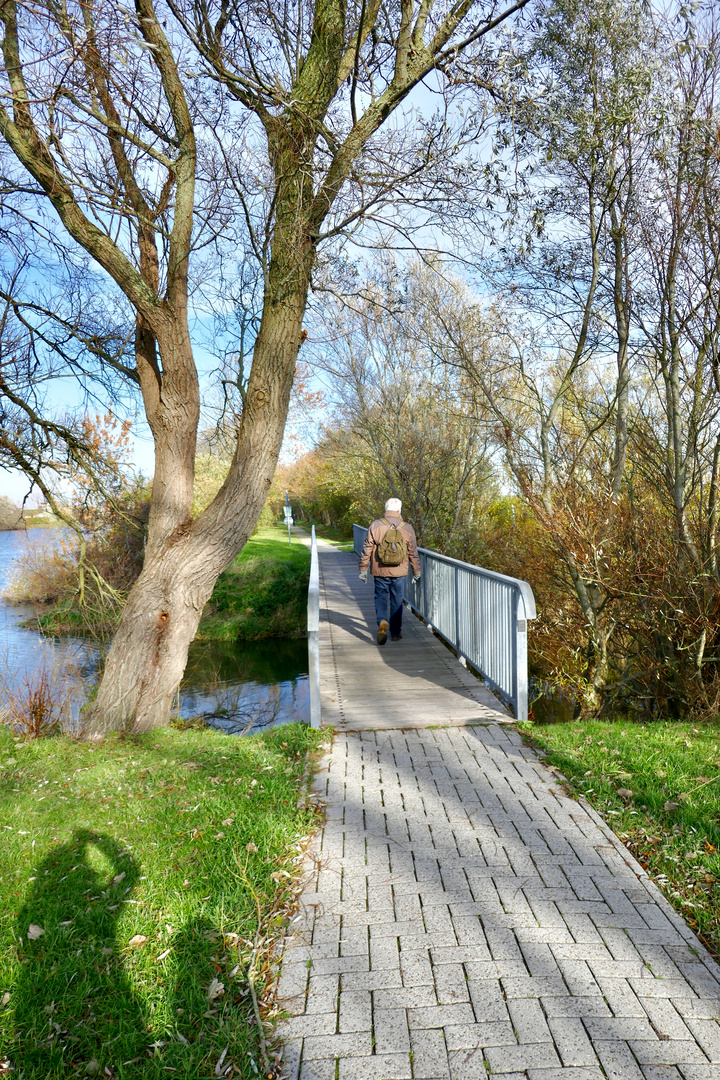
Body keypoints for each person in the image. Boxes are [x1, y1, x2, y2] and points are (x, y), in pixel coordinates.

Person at [358, 498, 421, 645]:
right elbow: (413, 552)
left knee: (380, 597)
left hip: (380, 571)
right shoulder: (408, 528)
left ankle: (382, 622)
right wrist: (416, 571)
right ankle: (395, 633)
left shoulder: (375, 525)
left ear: (386, 509)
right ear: (399, 510)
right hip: (399, 572)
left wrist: (363, 568)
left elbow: (367, 549)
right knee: (397, 601)